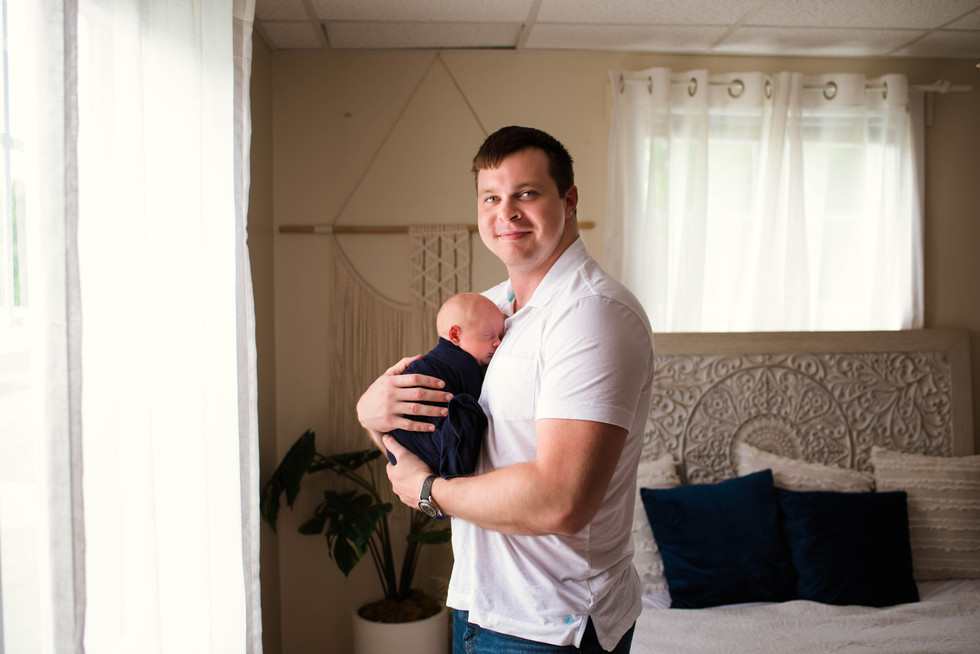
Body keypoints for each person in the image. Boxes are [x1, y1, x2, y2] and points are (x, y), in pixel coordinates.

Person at [357, 126, 655, 653]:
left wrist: (431, 493)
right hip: (481, 604)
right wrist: (370, 412)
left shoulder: (592, 315)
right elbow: (427, 422)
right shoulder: (489, 311)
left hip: (550, 626)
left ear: (569, 200)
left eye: (526, 193)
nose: (506, 213)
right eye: (491, 198)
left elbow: (562, 500)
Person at [386, 292, 505, 479]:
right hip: (431, 445)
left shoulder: (432, 360)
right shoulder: (465, 364)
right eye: (488, 336)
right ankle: (454, 471)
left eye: (500, 336)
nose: (498, 343)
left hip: (397, 446)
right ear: (455, 335)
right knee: (467, 411)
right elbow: (482, 405)